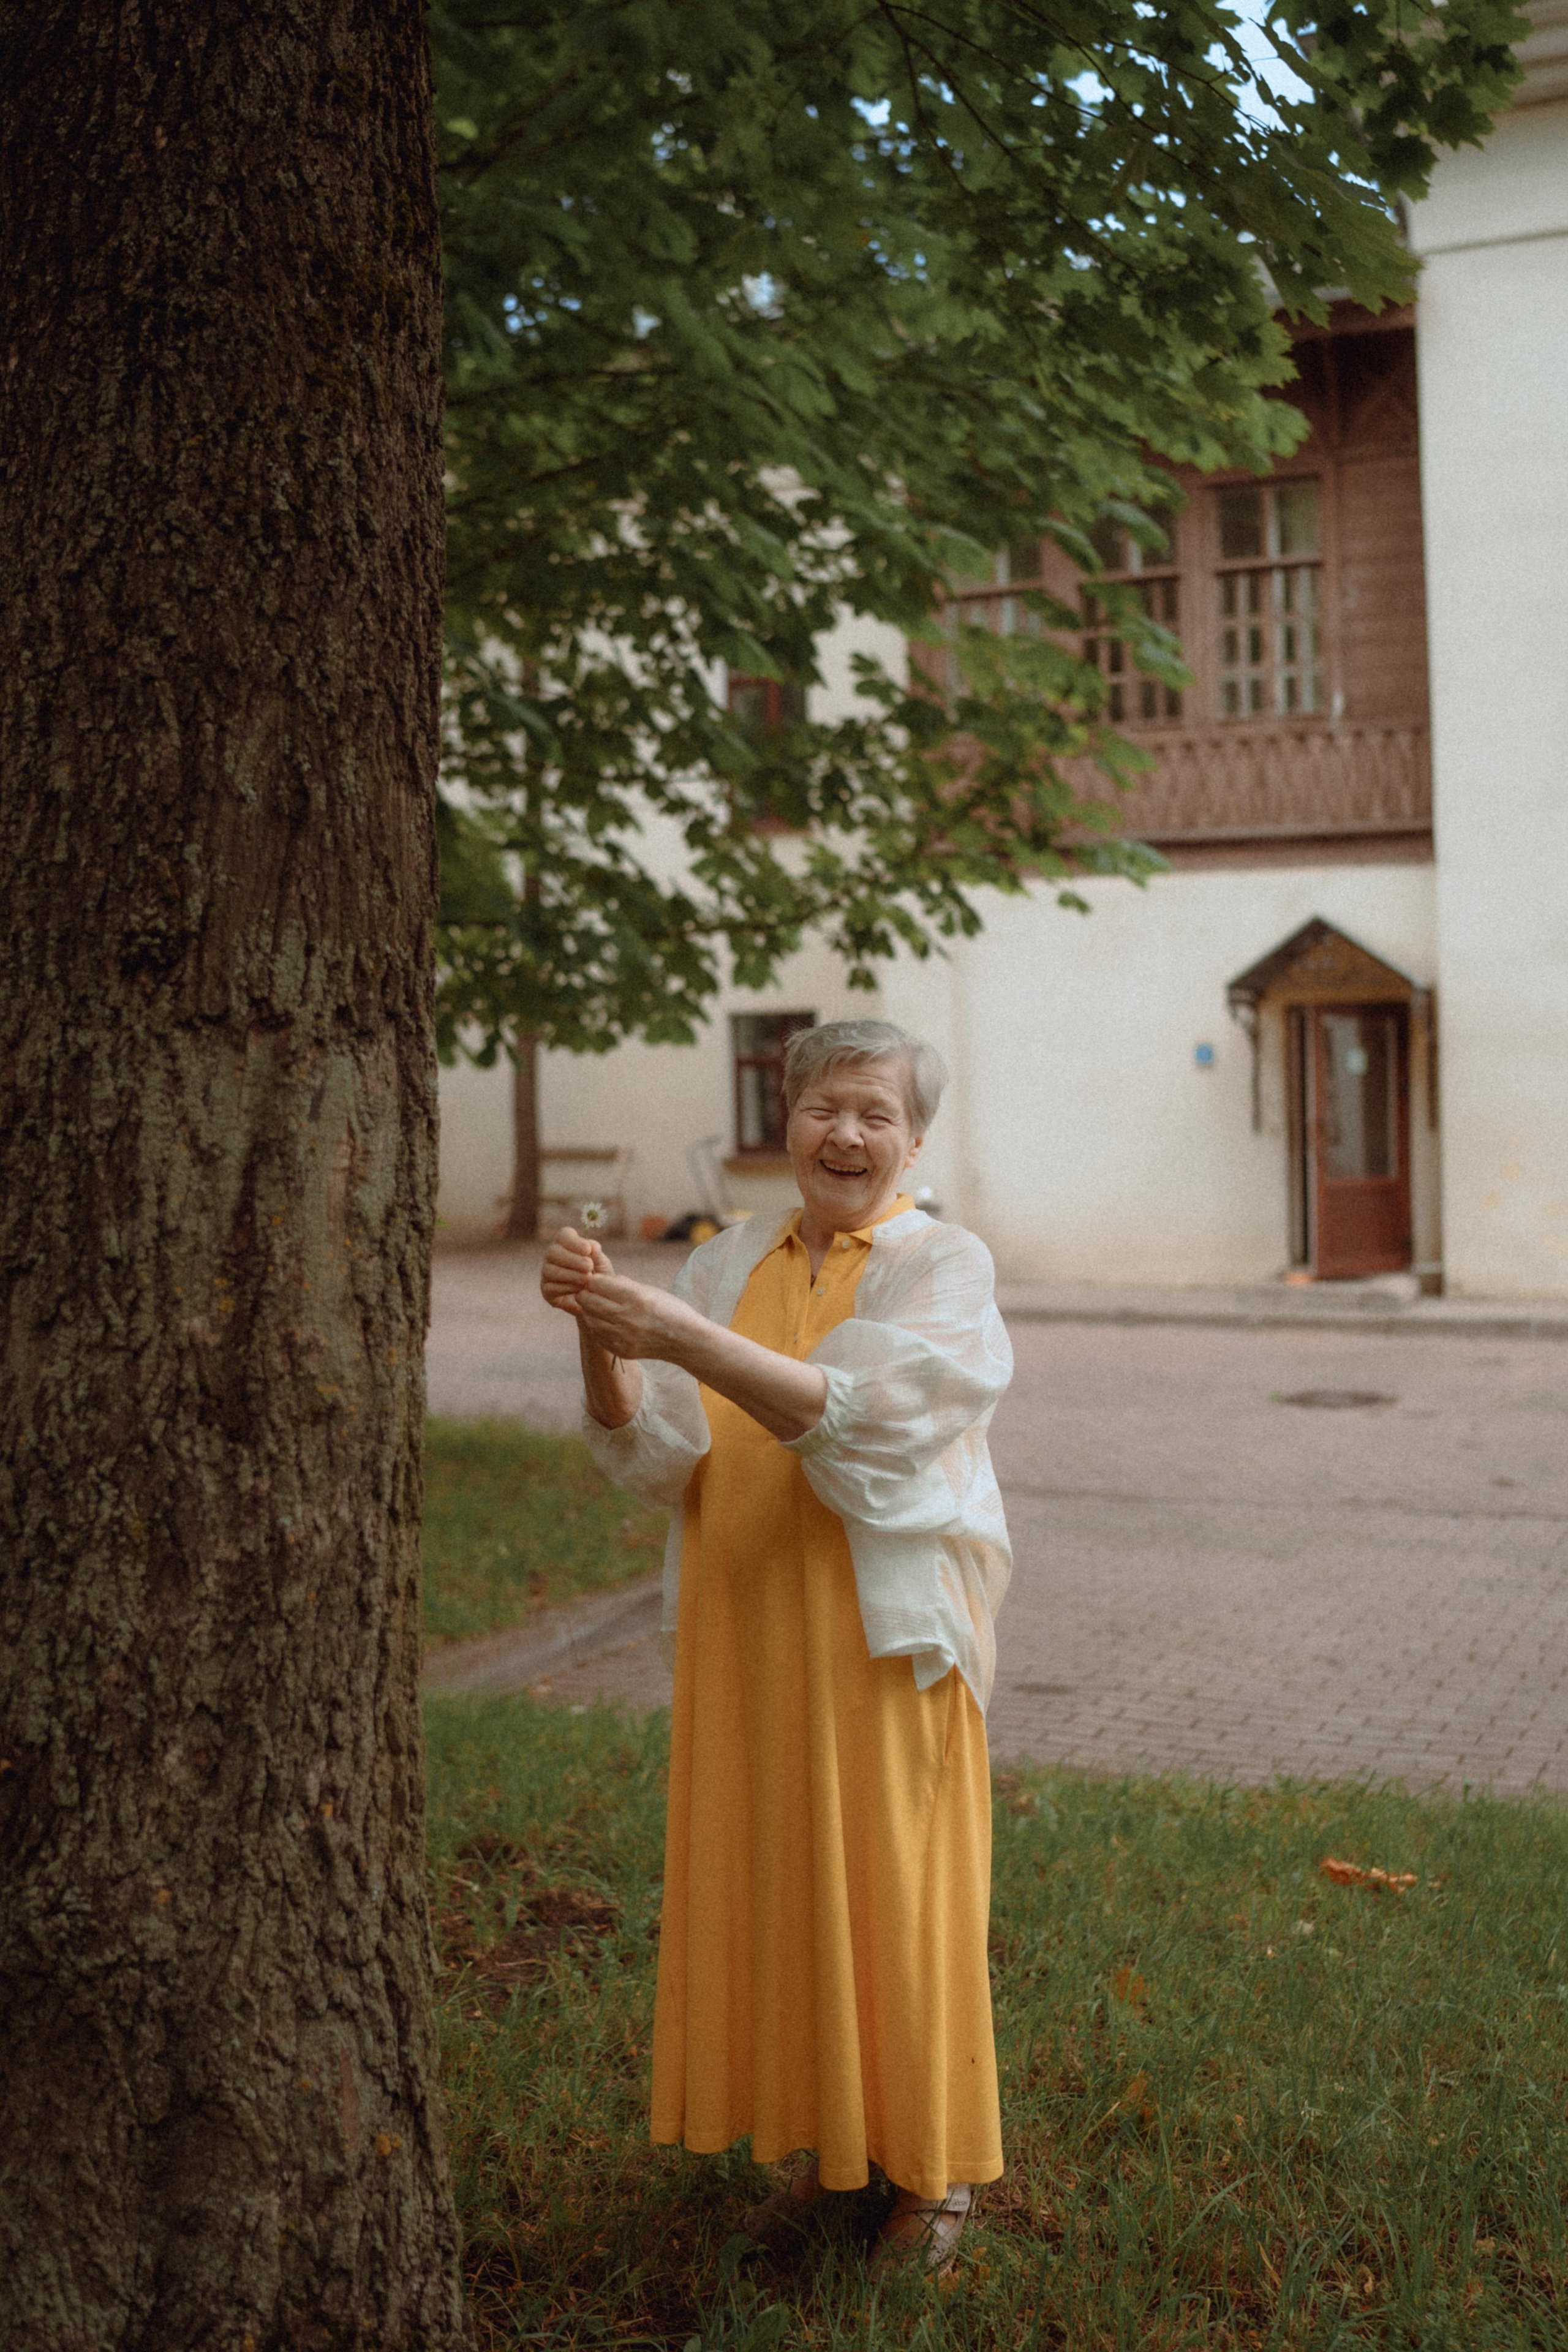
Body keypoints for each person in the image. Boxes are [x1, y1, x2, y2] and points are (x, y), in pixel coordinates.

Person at [539, 1019, 1012, 2273]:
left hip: (883, 1629)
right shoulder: (726, 1259)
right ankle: (829, 2151)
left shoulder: (942, 1265)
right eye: (820, 1108)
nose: (843, 1135)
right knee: (788, 1882)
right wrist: (599, 1329)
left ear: (914, 1139)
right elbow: (656, 1456)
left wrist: (675, 1338)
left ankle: (934, 2175)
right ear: (783, 1120)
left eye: (873, 1114)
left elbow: (861, 1422)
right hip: (744, 1616)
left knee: (899, 1887)